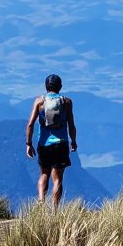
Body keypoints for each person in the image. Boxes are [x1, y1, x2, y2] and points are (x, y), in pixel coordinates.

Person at [25, 73, 78, 207]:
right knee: (57, 179)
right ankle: (54, 211)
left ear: (45, 86)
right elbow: (71, 124)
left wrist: (29, 143)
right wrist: (73, 141)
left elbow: (30, 124)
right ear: (60, 86)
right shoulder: (66, 102)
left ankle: (41, 203)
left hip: (44, 144)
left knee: (44, 174)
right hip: (61, 143)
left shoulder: (39, 101)